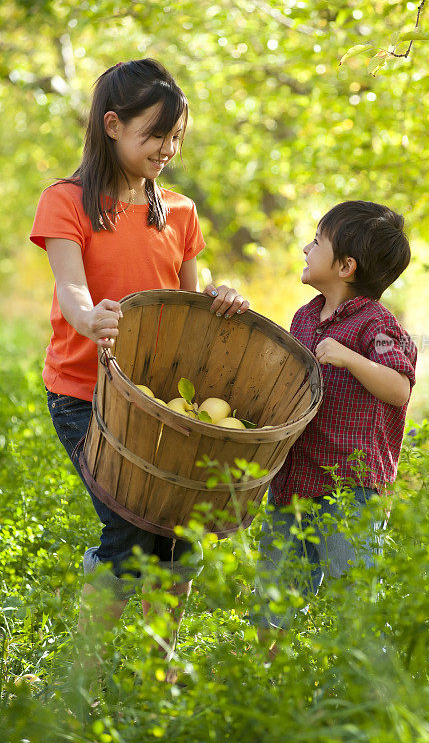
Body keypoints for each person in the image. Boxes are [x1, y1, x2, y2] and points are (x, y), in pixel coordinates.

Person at [30, 59, 249, 671]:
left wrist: (221, 297)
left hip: (157, 400)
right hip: (85, 394)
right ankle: (82, 683)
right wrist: (90, 318)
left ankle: (158, 668)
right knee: (128, 532)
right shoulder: (66, 201)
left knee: (177, 534)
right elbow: (71, 289)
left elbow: (189, 303)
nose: (167, 150)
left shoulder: (177, 211)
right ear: (111, 125)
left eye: (176, 138)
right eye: (156, 135)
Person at [253, 200, 417, 635]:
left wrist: (351, 360)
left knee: (353, 604)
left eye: (317, 241)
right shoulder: (305, 317)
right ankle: (266, 687)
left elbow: (399, 387)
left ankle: (364, 693)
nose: (306, 248)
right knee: (274, 601)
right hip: (296, 482)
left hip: (351, 490)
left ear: (346, 266)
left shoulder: (376, 326)